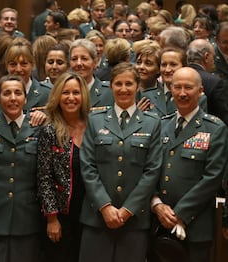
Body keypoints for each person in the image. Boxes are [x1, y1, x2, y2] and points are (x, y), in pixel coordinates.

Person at [79, 62, 162, 262]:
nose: (123, 89)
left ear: (137, 86)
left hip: (134, 220)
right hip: (97, 217)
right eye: (118, 84)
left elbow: (152, 170)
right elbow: (87, 165)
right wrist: (105, 206)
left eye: (128, 84)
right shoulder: (95, 119)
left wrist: (127, 210)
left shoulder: (152, 122)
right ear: (111, 86)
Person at [151, 67, 228, 262]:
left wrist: (180, 213)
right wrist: (157, 205)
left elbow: (213, 177)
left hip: (195, 226)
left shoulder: (215, 128)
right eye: (177, 87)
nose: (182, 93)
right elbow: (150, 170)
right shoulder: (161, 125)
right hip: (158, 223)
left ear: (200, 90)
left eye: (188, 87)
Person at [0, 75, 42, 262]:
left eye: (18, 93)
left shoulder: (39, 127)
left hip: (27, 217)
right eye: (7, 93)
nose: (13, 98)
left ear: (25, 98)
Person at [37, 72, 90, 262]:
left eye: (76, 92)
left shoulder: (95, 126)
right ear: (57, 96)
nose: (71, 98)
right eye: (65, 93)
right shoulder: (49, 131)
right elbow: (44, 178)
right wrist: (52, 218)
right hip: (62, 215)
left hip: (92, 213)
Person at [0, 39, 51, 112]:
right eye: (13, 64)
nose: (18, 69)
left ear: (32, 65)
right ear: (7, 65)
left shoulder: (46, 93)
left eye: (24, 64)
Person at [69, 38, 114, 108]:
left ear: (95, 62)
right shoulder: (61, 92)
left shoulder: (110, 92)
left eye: (84, 58)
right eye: (74, 59)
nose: (79, 63)